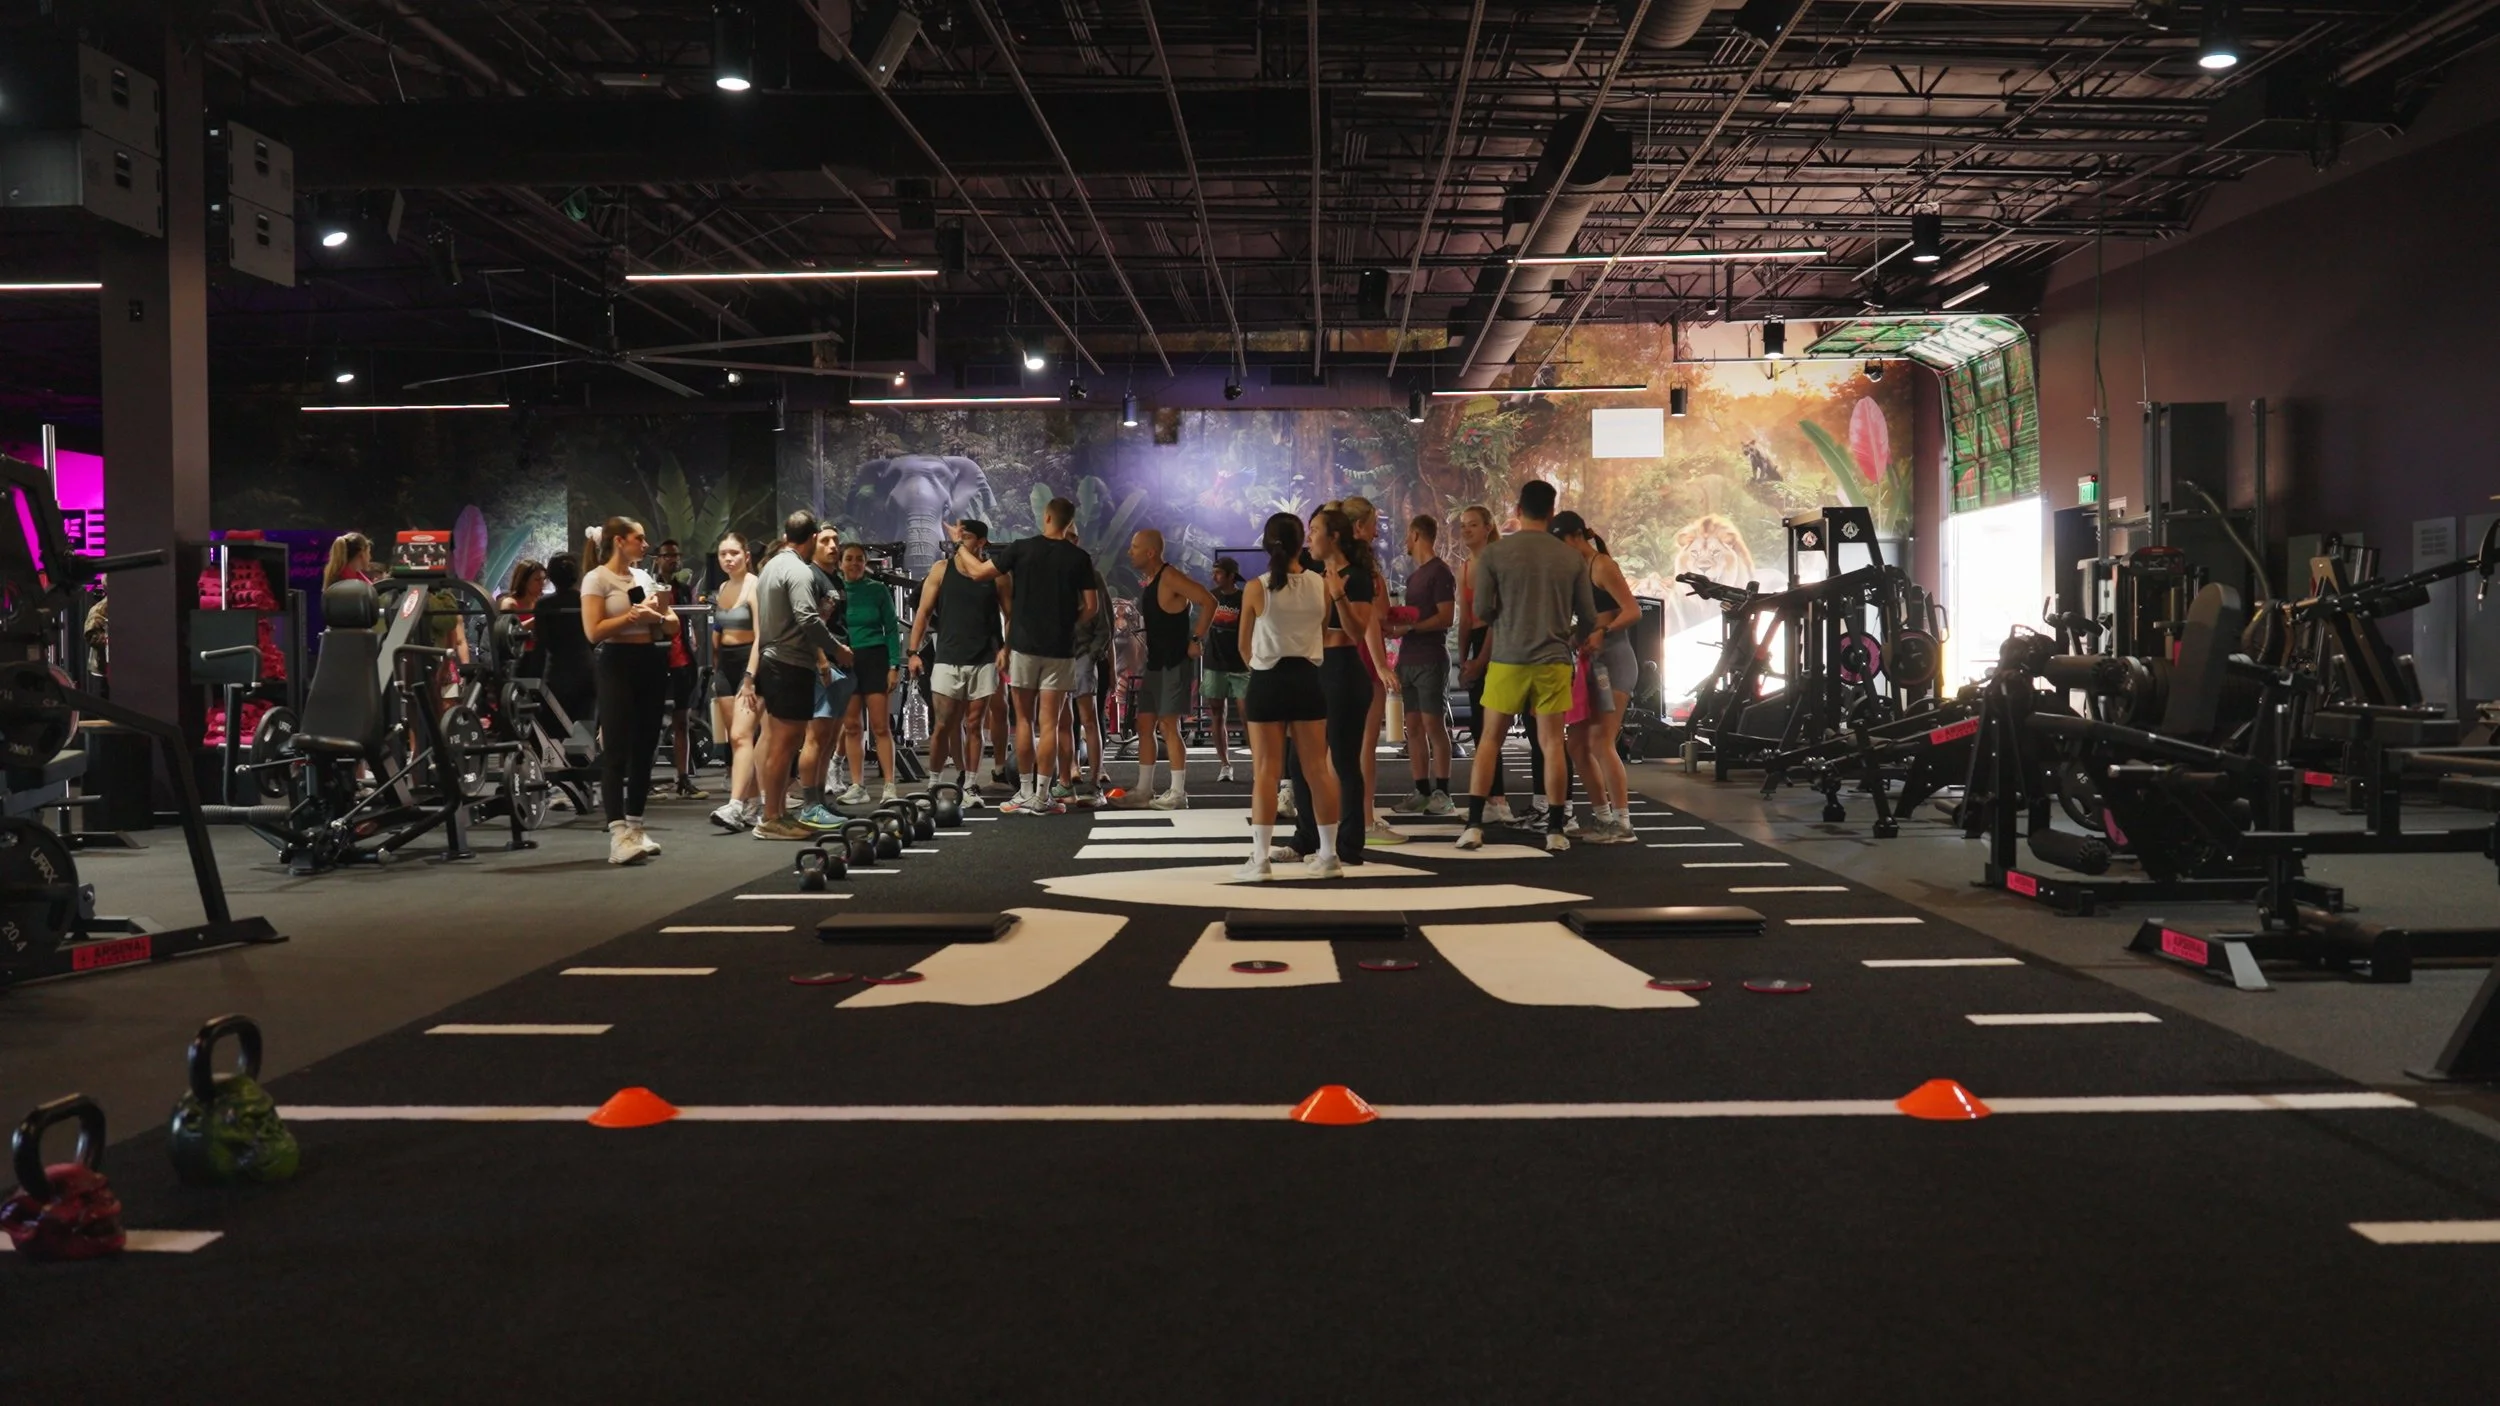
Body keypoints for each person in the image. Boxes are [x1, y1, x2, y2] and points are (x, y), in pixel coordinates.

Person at [1458, 480, 1597, 854]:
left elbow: (1482, 611)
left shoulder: (1495, 555)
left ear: (1518, 510)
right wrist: (1569, 636)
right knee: (1552, 743)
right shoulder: (1570, 558)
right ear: (1552, 512)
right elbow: (1587, 615)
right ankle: (1555, 828)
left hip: (1506, 658)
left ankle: (1473, 826)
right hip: (1552, 660)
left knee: (1489, 740)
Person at [948, 497, 1098, 817]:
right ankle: (1043, 796)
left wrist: (959, 545)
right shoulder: (1080, 557)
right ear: (1069, 522)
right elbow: (1091, 607)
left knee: (1025, 723)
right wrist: (1069, 624)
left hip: (1024, 648)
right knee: (1050, 723)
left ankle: (1025, 792)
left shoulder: (1022, 548)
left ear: (1046, 517)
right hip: (1060, 650)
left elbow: (977, 573)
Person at [1225, 513, 1342, 882]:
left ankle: (1260, 861)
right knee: (1317, 771)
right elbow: (1321, 633)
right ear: (1301, 543)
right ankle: (1329, 855)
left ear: (1267, 542)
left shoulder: (1257, 587)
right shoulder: (1320, 585)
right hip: (1308, 679)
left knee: (1266, 772)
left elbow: (1243, 645)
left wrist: (1260, 668)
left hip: (1267, 681)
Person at [745, 511, 852, 840]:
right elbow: (807, 619)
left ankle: (773, 814)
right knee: (784, 744)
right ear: (812, 538)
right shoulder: (798, 571)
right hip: (788, 664)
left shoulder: (770, 567)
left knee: (781, 742)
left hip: (775, 662)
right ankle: (771, 817)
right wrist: (836, 650)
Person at [580, 516, 678, 865]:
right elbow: (594, 631)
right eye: (639, 538)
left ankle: (636, 826)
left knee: (645, 747)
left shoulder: (642, 577)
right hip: (616, 664)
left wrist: (664, 618)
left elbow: (669, 622)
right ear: (620, 541)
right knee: (617, 749)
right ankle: (617, 832)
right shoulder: (597, 579)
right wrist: (633, 617)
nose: (645, 544)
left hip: (649, 662)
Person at [1304, 506, 1394, 865]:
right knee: (1302, 762)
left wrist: (1337, 593)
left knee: (1343, 759)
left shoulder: (1357, 577)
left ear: (1334, 537)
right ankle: (1308, 838)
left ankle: (1350, 844)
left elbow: (1356, 631)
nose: (1310, 537)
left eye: (1315, 530)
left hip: (1344, 670)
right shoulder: (1310, 573)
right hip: (1314, 669)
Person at [1550, 515, 1640, 844]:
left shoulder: (1601, 565)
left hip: (1614, 663)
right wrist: (1577, 635)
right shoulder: (1578, 572)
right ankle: (1603, 817)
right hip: (1592, 663)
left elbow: (1632, 610)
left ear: (1575, 537)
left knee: (1602, 742)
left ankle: (1623, 823)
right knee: (1576, 744)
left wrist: (1603, 631)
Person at [905, 519, 1006, 809]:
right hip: (948, 658)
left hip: (983, 658)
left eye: (968, 537)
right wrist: (913, 652)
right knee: (943, 725)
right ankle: (934, 786)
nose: (962, 542)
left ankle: (971, 786)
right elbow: (923, 613)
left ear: (982, 542)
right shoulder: (940, 570)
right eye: (959, 538)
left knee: (974, 726)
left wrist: (1006, 648)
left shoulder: (995, 575)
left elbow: (1010, 615)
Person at [1123, 529, 1217, 810]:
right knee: (1144, 725)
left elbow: (1209, 601)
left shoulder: (1170, 576)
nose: (1130, 551)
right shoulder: (1152, 580)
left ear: (1151, 552)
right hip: (1155, 664)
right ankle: (1143, 789)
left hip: (1173, 663)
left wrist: (1196, 640)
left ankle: (1177, 793)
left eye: (1135, 546)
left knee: (1168, 725)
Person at [1453, 505, 1520, 826]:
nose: (1466, 530)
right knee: (1480, 725)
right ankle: (1491, 798)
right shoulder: (1464, 568)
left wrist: (1481, 660)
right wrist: (1464, 659)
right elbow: (1465, 619)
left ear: (1487, 526)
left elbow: (1498, 617)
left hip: (1500, 644)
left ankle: (1499, 799)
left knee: (1492, 726)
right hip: (1478, 645)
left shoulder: (1499, 561)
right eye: (1462, 525)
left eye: (1472, 525)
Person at [1386, 514, 1456, 815]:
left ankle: (1443, 793)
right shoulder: (1414, 577)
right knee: (1412, 727)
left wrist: (1411, 628)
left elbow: (1446, 617)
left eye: (1406, 535)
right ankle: (1422, 790)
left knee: (1433, 725)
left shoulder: (1440, 572)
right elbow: (1414, 617)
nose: (1404, 542)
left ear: (1416, 535)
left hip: (1430, 658)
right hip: (1409, 659)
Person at [834, 543, 904, 805]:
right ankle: (857, 786)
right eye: (849, 559)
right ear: (840, 563)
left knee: (880, 726)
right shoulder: (835, 592)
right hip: (847, 661)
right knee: (852, 727)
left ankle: (889, 786)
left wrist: (894, 666)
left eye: (859, 559)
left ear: (866, 563)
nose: (854, 564)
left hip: (875, 659)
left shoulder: (878, 590)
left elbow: (891, 629)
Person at [793, 525, 854, 826]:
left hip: (843, 663)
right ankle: (808, 805)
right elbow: (809, 623)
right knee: (815, 738)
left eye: (835, 541)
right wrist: (821, 661)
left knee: (830, 739)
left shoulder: (835, 579)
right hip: (823, 666)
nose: (832, 546)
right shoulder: (810, 577)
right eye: (825, 541)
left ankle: (820, 801)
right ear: (814, 544)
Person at [707, 533, 766, 833]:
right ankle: (754, 803)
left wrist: (750, 677)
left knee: (743, 736)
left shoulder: (755, 586)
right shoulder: (722, 587)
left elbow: (761, 637)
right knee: (737, 739)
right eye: (722, 554)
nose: (728, 559)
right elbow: (718, 634)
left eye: (733, 553)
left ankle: (735, 805)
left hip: (749, 664)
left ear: (746, 554)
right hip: (725, 667)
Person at [650, 539, 707, 801]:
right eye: (668, 555)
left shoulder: (683, 590)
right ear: (658, 558)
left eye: (676, 555)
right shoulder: (647, 588)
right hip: (656, 662)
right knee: (649, 722)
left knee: (682, 721)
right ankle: (645, 778)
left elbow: (688, 625)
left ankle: (683, 778)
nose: (673, 559)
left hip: (682, 662)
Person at [1201, 557, 1250, 783]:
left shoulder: (1244, 598)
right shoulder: (1210, 597)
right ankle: (1225, 764)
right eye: (1214, 572)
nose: (1214, 576)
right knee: (1217, 712)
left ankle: (1259, 764)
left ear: (1231, 576)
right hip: (1214, 663)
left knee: (1247, 716)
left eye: (1219, 573)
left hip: (1241, 665)